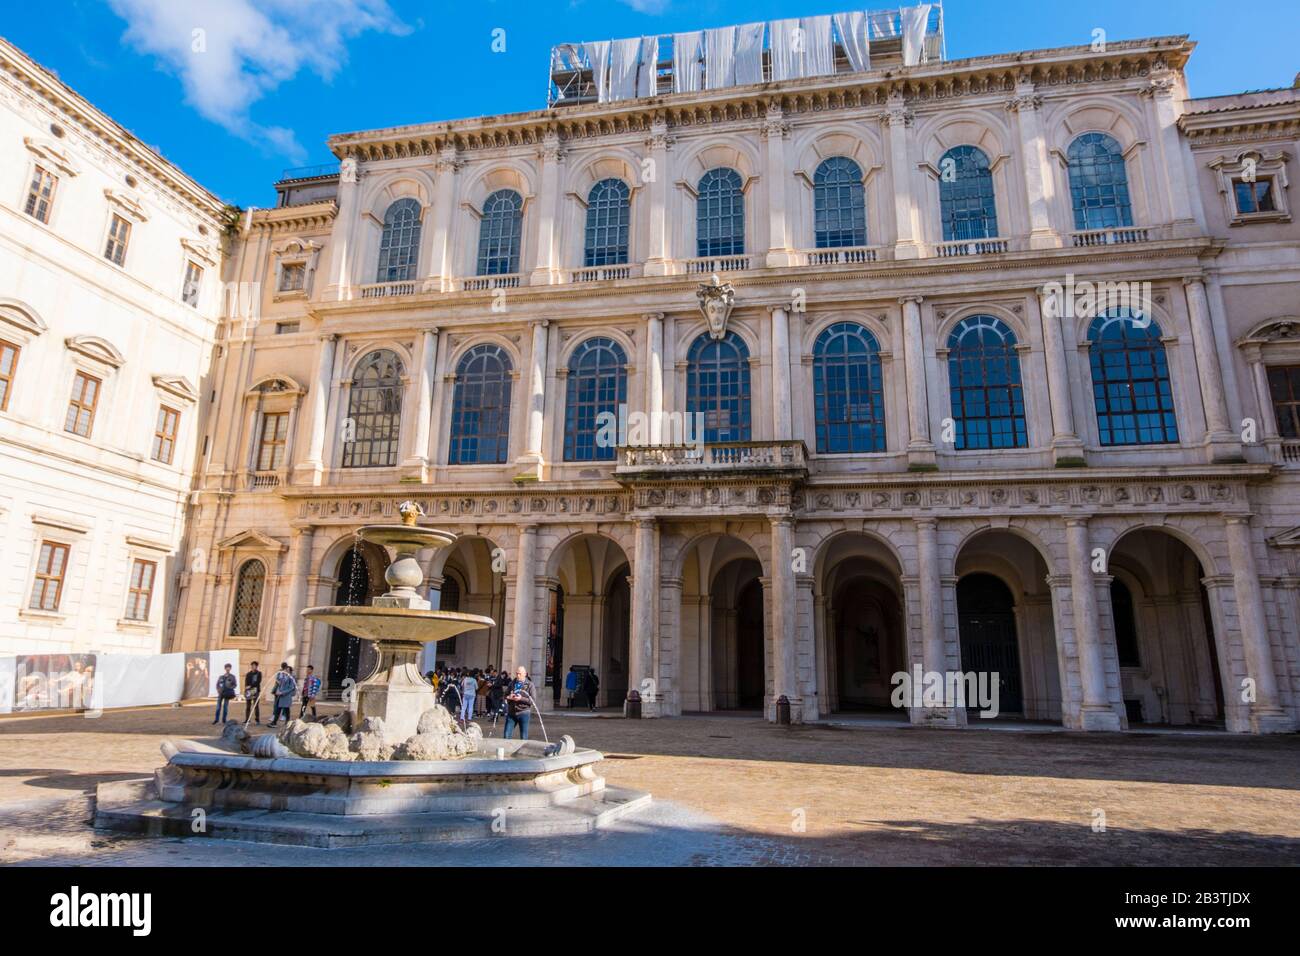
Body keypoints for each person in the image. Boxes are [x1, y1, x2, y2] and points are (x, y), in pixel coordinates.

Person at [503, 666, 537, 740]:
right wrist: (509, 697)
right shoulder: (512, 683)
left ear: (525, 674)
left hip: (524, 712)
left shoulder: (530, 685)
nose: (518, 676)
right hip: (511, 712)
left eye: (520, 674)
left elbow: (533, 700)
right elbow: (505, 695)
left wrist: (521, 698)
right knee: (506, 735)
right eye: (517, 673)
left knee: (523, 737)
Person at [268, 663, 296, 727]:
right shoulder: (283, 676)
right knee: (278, 708)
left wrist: (282, 692)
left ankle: (287, 722)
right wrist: (278, 691)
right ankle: (274, 722)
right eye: (286, 670)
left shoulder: (291, 678)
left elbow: (291, 687)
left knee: (286, 709)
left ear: (290, 671)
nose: (286, 671)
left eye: (288, 670)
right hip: (280, 696)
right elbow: (279, 683)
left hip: (286, 696)